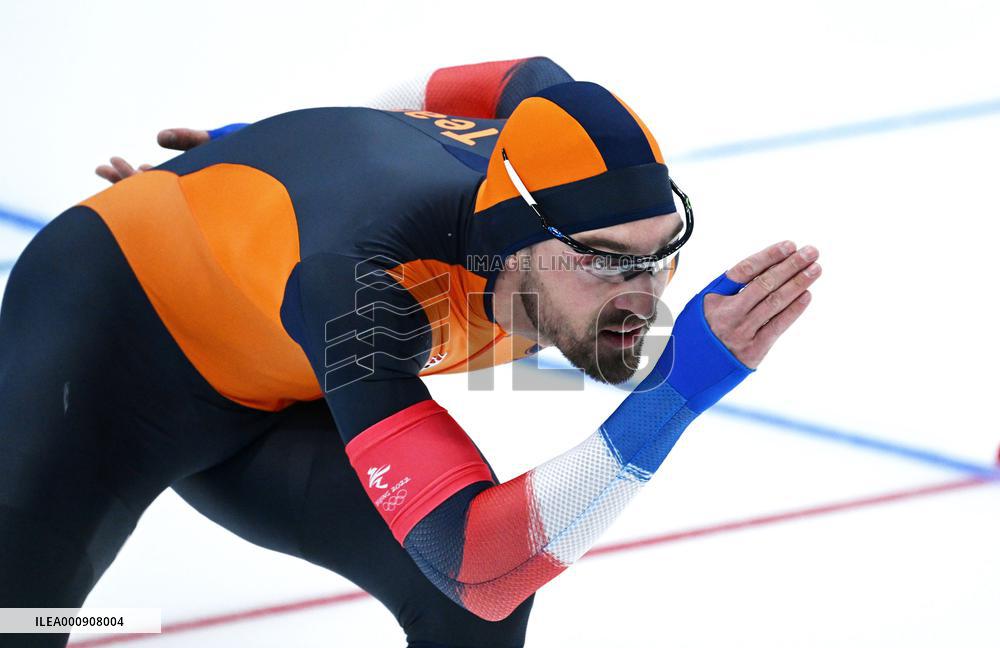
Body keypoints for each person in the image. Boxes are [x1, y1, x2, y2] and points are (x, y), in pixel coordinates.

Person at [0, 57, 820, 647]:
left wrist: (271, 149)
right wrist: (678, 389)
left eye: (659, 254)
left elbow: (505, 78)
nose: (644, 296)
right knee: (24, 621)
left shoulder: (544, 116)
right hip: (109, 347)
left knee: (464, 618)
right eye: (606, 260)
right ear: (517, 243)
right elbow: (477, 562)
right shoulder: (363, 287)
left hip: (282, 373)